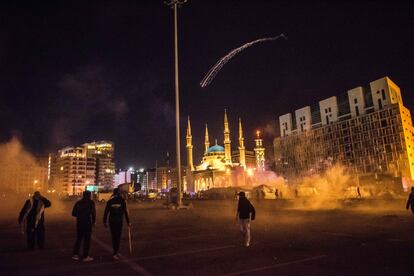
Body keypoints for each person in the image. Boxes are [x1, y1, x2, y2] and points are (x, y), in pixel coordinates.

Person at [103, 188, 130, 260]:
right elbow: (125, 212)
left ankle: (115, 251)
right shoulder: (122, 201)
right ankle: (115, 252)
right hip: (119, 221)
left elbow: (106, 212)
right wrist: (128, 222)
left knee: (114, 236)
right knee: (118, 236)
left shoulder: (110, 201)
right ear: (119, 193)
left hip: (111, 221)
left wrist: (104, 221)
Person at [72, 190, 96, 262]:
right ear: (89, 195)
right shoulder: (91, 202)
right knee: (87, 240)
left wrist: (80, 215)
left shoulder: (78, 202)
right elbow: (93, 213)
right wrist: (94, 221)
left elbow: (73, 213)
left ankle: (75, 254)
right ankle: (85, 256)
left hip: (79, 223)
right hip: (87, 223)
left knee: (79, 238)